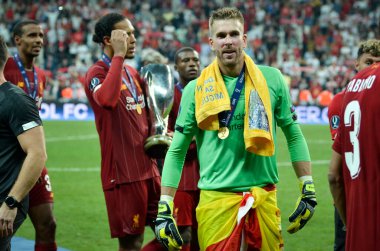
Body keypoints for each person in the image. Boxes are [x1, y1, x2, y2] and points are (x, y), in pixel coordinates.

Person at [154, 7, 316, 251]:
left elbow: (293, 133)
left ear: (244, 39)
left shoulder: (272, 79)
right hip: (215, 203)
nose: (228, 41)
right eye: (221, 36)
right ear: (211, 42)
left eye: (233, 34)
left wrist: (308, 187)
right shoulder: (194, 90)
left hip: (263, 199)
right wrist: (165, 206)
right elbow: (176, 150)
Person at [84, 13, 162, 251]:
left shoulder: (131, 73)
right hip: (123, 174)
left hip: (149, 170)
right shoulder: (96, 74)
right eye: (127, 34)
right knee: (132, 244)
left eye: (134, 33)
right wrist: (118, 55)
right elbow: (107, 100)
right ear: (109, 39)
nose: (134, 39)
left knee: (177, 233)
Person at [4, 20, 57, 251]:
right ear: (17, 40)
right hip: (6, 159)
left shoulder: (40, 75)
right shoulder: (6, 68)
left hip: (31, 158)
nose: (39, 40)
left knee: (47, 224)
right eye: (32, 35)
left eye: (41, 35)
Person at [328, 39, 380, 251]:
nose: (375, 67)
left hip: (355, 198)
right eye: (369, 62)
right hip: (350, 199)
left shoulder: (345, 97)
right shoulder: (340, 101)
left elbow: (333, 174)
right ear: (356, 64)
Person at [166, 47, 201, 251]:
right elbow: (167, 135)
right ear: (176, 66)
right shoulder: (168, 96)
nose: (191, 64)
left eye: (195, 60)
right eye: (186, 60)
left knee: (202, 232)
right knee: (183, 233)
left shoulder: (209, 92)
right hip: (181, 175)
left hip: (207, 174)